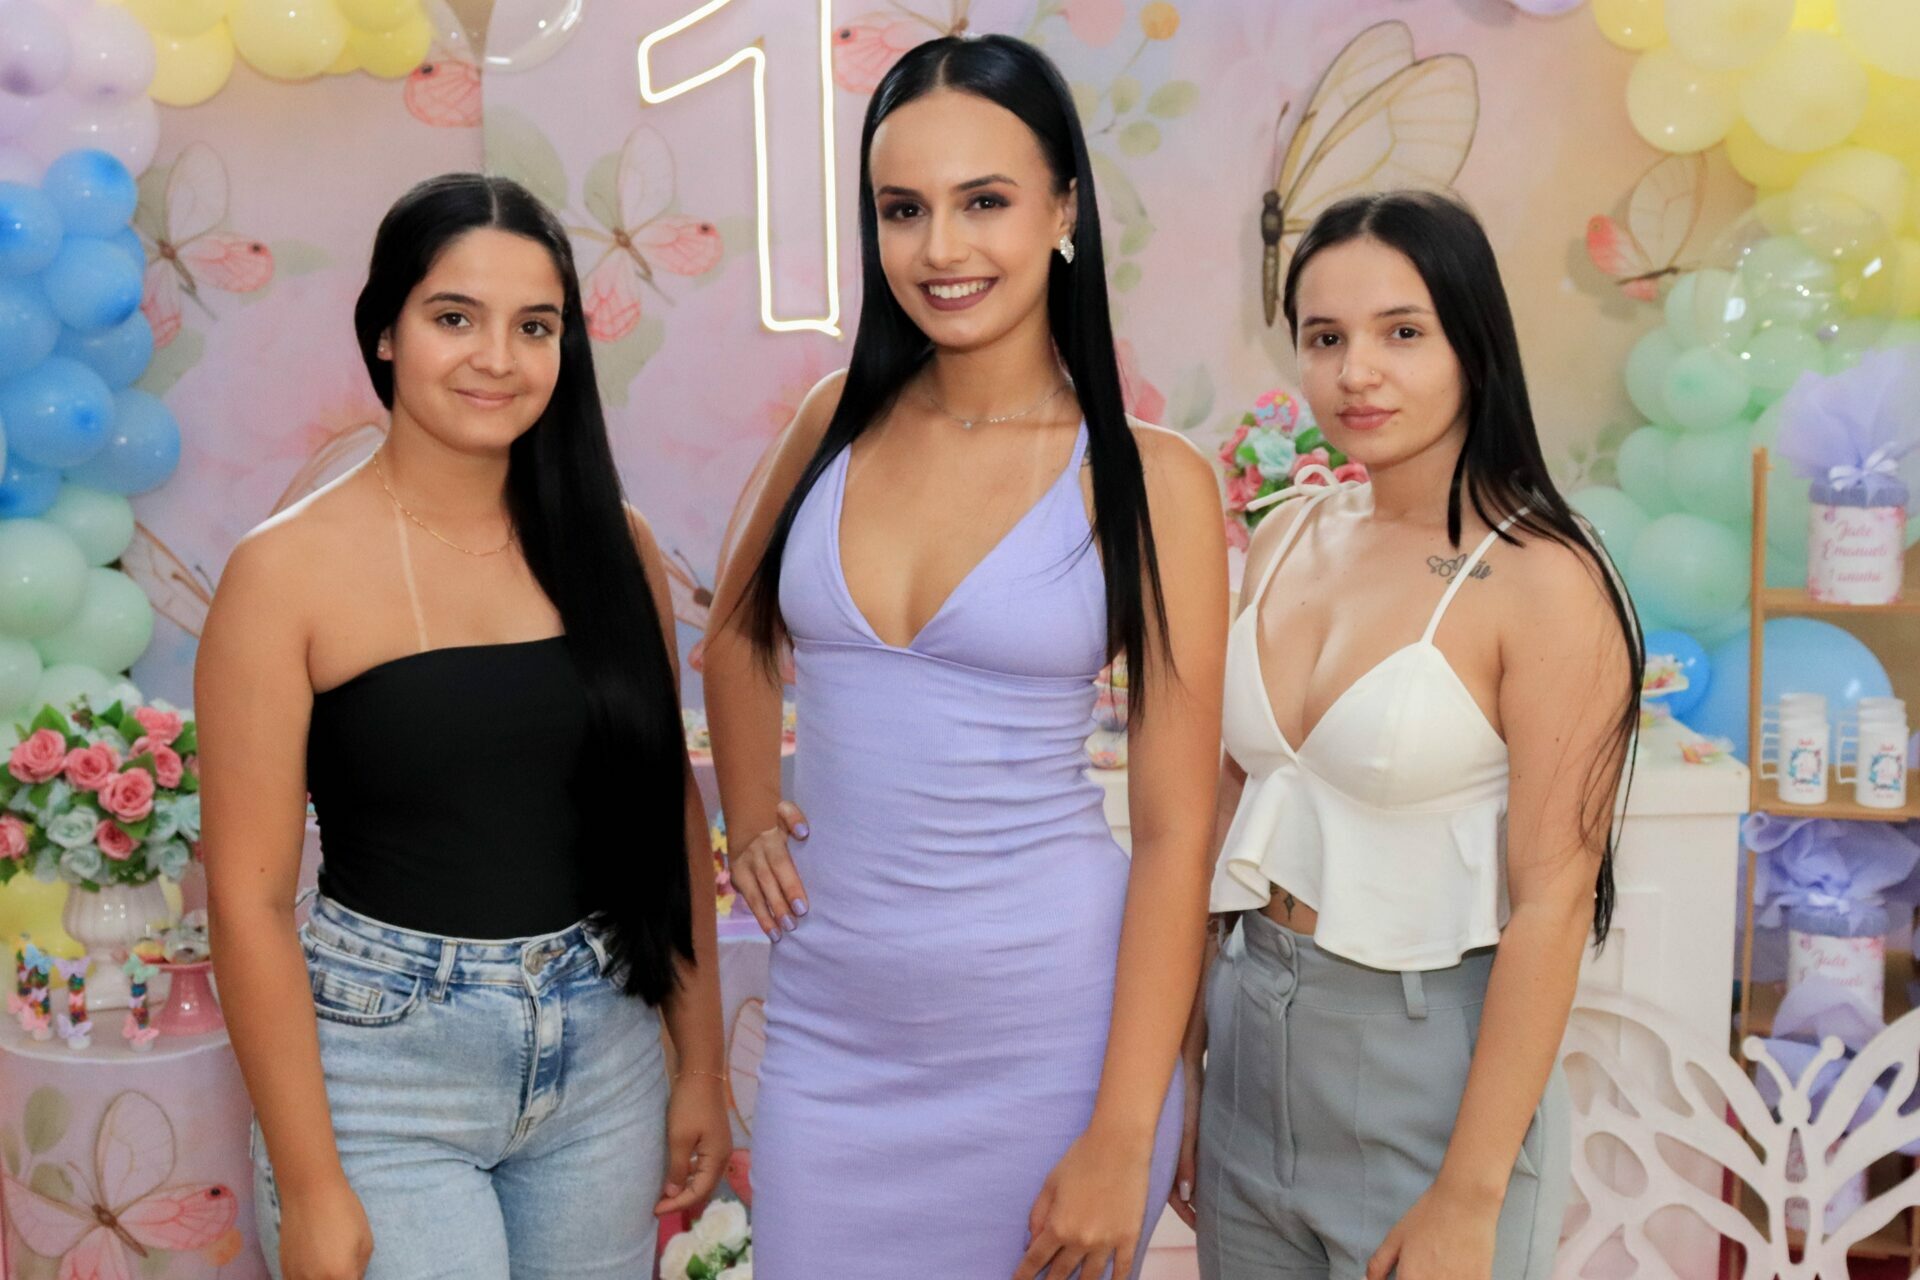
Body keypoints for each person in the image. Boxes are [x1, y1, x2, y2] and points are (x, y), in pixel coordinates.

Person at [701, 33, 1227, 1280]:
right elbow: (732, 633)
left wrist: (1123, 1128)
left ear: (1063, 209)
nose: (941, 248)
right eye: (904, 209)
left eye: (984, 201)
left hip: (1052, 1045)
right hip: (833, 1041)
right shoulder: (833, 422)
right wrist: (752, 811)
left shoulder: (1149, 477)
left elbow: (1175, 835)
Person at [198, 173, 729, 1280]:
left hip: (606, 1054)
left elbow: (662, 811)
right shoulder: (283, 572)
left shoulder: (615, 544)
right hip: (381, 1076)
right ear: (385, 331)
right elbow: (246, 902)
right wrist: (311, 1182)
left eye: (534, 326)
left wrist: (700, 1064)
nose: (497, 358)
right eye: (454, 317)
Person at [1178, 190, 1640, 1280]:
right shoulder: (1285, 533)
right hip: (1250, 1040)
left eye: (1402, 332)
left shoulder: (1547, 579)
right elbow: (1227, 813)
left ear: (1473, 342)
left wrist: (1470, 1194)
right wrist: (1189, 1070)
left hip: (1433, 1081)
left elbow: (1553, 903)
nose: (1358, 372)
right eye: (1325, 338)